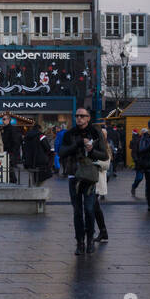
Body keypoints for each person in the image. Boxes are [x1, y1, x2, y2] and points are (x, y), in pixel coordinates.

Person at [58, 108, 108, 255]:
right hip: (74, 175)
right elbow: (61, 152)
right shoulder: (69, 134)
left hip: (89, 175)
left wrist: (91, 150)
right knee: (77, 211)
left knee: (89, 209)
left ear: (88, 118)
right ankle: (80, 242)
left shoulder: (95, 132)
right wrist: (78, 144)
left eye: (82, 116)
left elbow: (104, 155)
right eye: (77, 116)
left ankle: (90, 240)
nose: (79, 118)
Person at [1, 116, 23, 184]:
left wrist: (13, 151)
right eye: (2, 119)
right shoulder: (4, 129)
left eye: (4, 119)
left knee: (9, 166)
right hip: (6, 150)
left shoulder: (12, 129)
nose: (3, 121)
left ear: (8, 120)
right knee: (7, 166)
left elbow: (15, 141)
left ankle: (13, 180)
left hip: (10, 151)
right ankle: (10, 180)